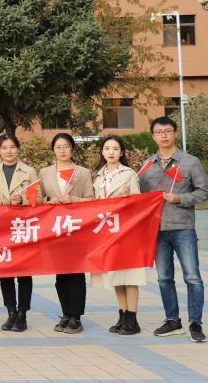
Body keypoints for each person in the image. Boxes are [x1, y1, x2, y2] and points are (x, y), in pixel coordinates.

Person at [138, 115, 208, 342]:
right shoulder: (147, 165)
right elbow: (139, 197)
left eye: (167, 131)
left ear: (175, 133)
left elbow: (205, 192)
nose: (164, 135)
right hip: (157, 230)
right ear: (153, 136)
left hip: (183, 228)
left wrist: (180, 198)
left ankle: (195, 323)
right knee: (164, 278)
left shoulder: (190, 162)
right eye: (159, 132)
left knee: (193, 277)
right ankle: (172, 320)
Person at [38, 133, 95, 334]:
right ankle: (65, 313)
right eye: (58, 147)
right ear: (53, 150)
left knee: (76, 273)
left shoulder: (83, 172)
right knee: (61, 274)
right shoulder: (44, 172)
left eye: (66, 146)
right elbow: (38, 199)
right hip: (55, 229)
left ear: (72, 149)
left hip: (77, 228)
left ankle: (76, 316)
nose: (62, 150)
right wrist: (48, 201)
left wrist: (74, 199)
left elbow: (91, 200)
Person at [90, 135, 144, 336]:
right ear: (102, 152)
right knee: (116, 276)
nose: (111, 152)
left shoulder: (129, 174)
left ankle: (132, 319)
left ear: (121, 152)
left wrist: (127, 199)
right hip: (106, 233)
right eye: (107, 148)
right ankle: (122, 315)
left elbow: (138, 204)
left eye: (115, 148)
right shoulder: (97, 176)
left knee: (130, 276)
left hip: (126, 232)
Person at [0, 132, 37, 332]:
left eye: (12, 147)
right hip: (2, 229)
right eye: (4, 148)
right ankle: (11, 312)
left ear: (18, 149)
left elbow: (38, 199)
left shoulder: (29, 172)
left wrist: (22, 200)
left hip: (22, 228)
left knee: (24, 273)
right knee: (5, 272)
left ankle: (22, 314)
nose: (9, 151)